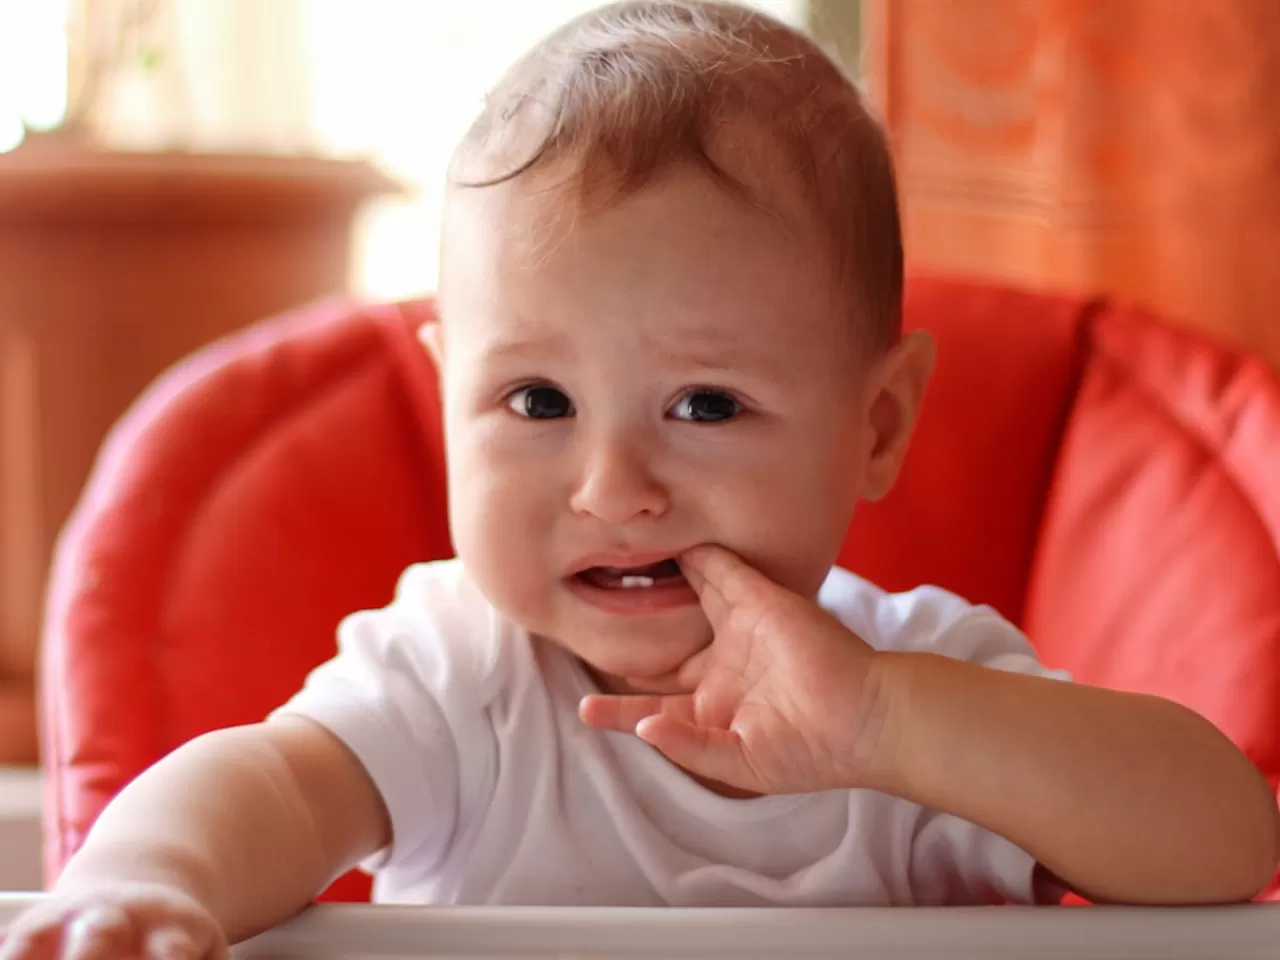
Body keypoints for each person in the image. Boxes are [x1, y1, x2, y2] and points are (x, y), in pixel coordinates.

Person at [4, 2, 1277, 959]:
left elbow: (1226, 844)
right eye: (536, 402)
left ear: (874, 426)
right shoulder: (462, 684)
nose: (613, 488)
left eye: (706, 405)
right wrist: (145, 880)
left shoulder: (923, 703)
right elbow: (273, 786)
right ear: (451, 404)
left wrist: (887, 724)